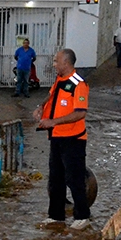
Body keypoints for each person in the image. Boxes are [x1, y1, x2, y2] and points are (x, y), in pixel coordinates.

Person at [34, 48, 91, 230]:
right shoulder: (59, 80)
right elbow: (51, 95)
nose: (54, 64)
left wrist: (53, 121)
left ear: (66, 63)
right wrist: (40, 107)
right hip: (57, 138)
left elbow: (80, 113)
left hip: (73, 139)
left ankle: (82, 216)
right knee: (56, 179)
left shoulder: (78, 84)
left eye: (56, 61)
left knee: (74, 178)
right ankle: (56, 216)